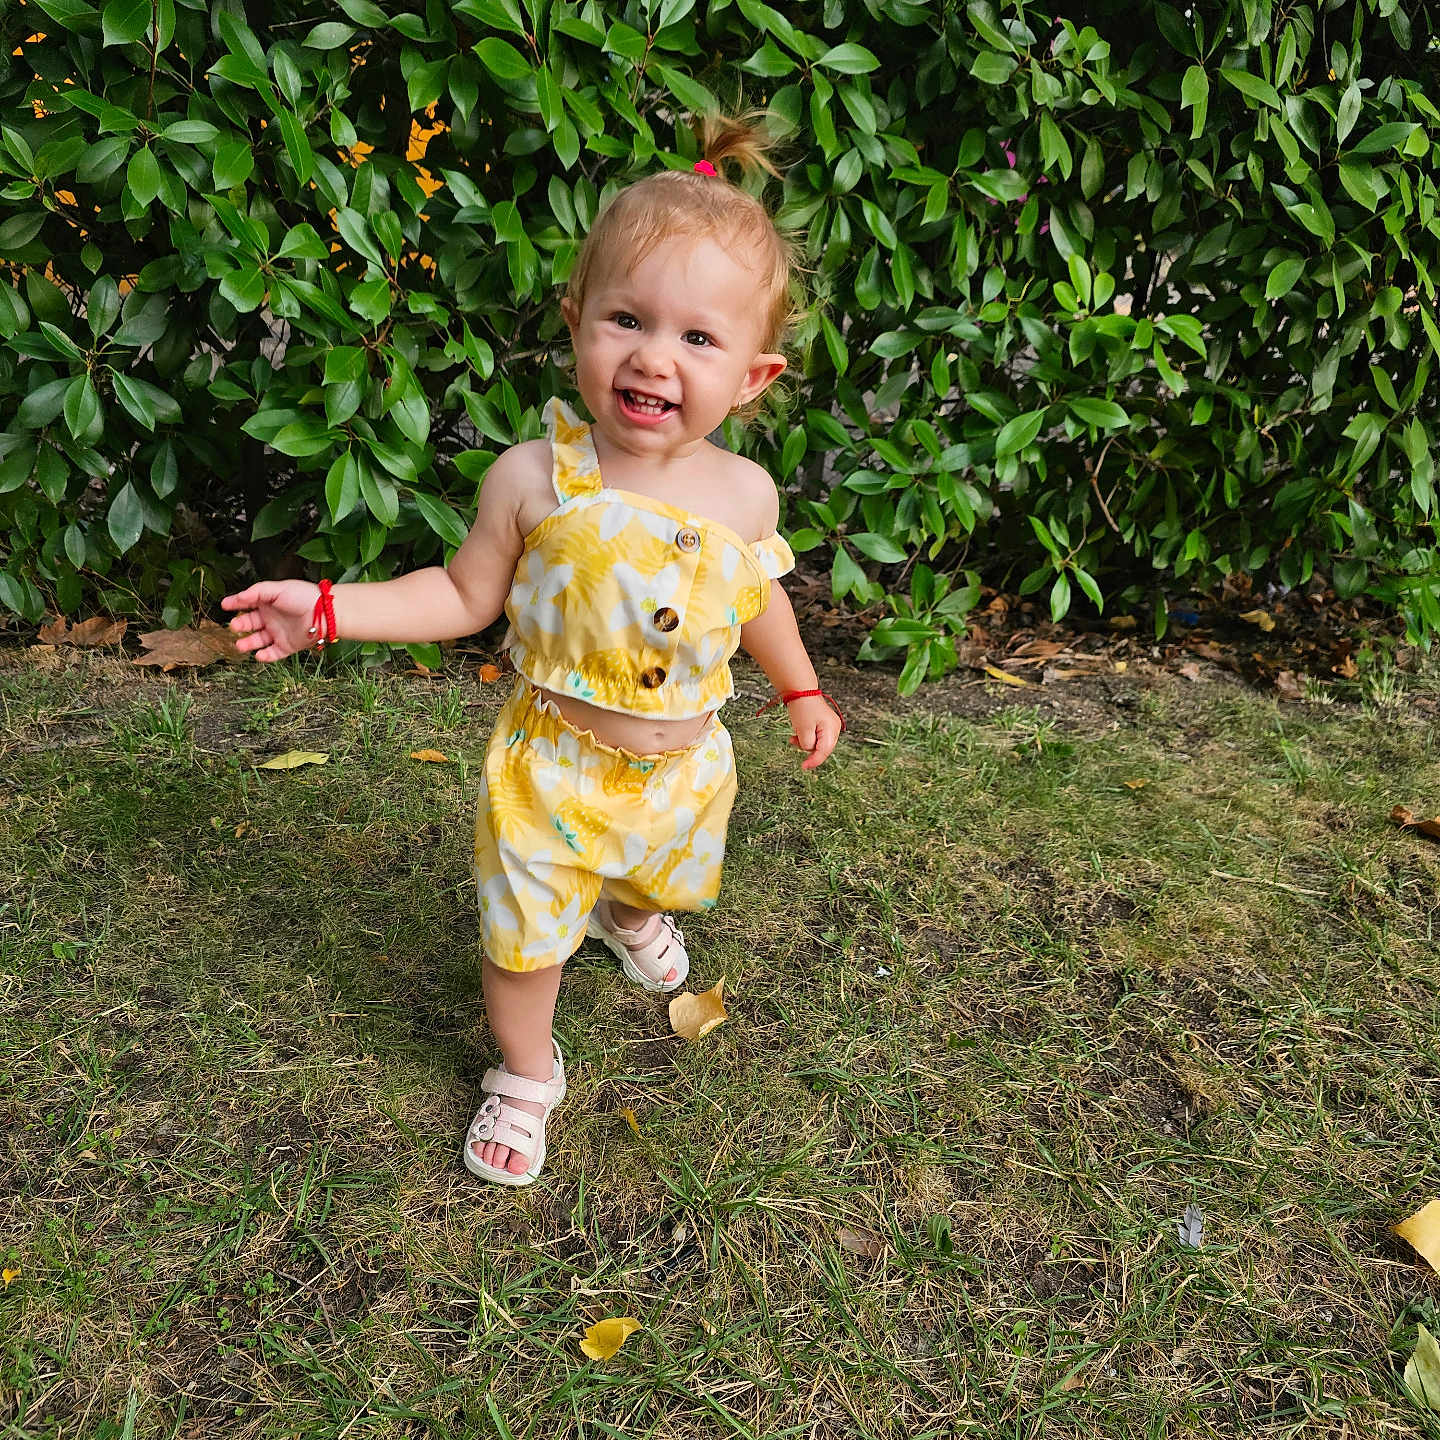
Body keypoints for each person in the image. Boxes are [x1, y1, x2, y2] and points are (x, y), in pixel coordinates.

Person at [220, 115, 844, 1186]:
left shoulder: (745, 495)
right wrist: (329, 607)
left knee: (652, 884)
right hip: (547, 771)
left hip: (685, 771)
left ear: (753, 376)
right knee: (522, 942)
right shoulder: (533, 477)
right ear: (576, 324)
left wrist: (802, 685)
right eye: (625, 320)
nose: (653, 356)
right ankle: (523, 1072)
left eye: (698, 339)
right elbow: (460, 596)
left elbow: (755, 601)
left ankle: (628, 911)